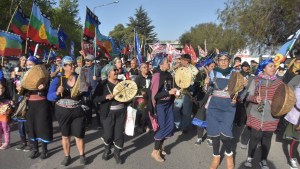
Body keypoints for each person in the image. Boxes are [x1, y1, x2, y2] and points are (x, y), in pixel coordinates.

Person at [206, 52, 246, 169]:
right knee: (215, 135)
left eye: (226, 59)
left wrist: (243, 87)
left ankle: (229, 155)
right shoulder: (212, 72)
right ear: (217, 61)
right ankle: (216, 157)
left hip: (229, 108)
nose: (223, 62)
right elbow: (207, 90)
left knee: (225, 136)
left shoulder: (236, 73)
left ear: (229, 61)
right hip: (214, 107)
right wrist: (206, 84)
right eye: (221, 59)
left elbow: (240, 93)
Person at [243, 58, 283, 169]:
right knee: (255, 137)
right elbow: (247, 96)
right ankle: (250, 157)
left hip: (272, 116)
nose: (274, 68)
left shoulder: (279, 83)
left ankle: (263, 160)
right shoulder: (256, 80)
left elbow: (283, 99)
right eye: (271, 66)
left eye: (274, 66)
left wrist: (275, 102)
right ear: (264, 68)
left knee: (267, 138)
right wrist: (254, 98)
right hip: (256, 114)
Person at [47, 56, 86, 166]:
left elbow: (87, 94)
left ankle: (82, 155)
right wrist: (57, 93)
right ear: (64, 67)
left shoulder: (80, 77)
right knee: (65, 135)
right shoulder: (58, 80)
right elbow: (49, 96)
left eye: (73, 64)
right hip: (62, 111)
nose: (73, 66)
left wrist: (86, 88)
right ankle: (67, 156)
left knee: (79, 135)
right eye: (70, 64)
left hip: (77, 111)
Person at [93, 64, 128, 164]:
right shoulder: (103, 84)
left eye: (117, 70)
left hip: (121, 112)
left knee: (119, 134)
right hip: (108, 113)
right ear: (108, 73)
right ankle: (107, 149)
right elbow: (95, 98)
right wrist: (105, 97)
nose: (117, 72)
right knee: (108, 134)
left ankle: (117, 154)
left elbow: (128, 96)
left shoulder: (122, 83)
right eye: (114, 70)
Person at [148, 56, 177, 162]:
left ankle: (160, 147)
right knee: (162, 127)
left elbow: (171, 88)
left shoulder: (169, 74)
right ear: (160, 64)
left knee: (169, 127)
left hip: (169, 104)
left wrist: (176, 93)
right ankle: (155, 151)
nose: (169, 63)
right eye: (166, 62)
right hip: (160, 105)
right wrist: (168, 93)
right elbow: (154, 95)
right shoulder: (157, 75)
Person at [25, 56, 53, 159]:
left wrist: (43, 88)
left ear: (36, 65)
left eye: (30, 64)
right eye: (27, 65)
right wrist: (20, 88)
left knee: (42, 127)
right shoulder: (25, 76)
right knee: (32, 127)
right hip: (30, 104)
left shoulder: (44, 75)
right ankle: (35, 149)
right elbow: (23, 92)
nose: (28, 66)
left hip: (42, 104)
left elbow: (50, 91)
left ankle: (44, 150)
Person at [193, 59, 215, 146]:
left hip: (212, 101)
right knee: (200, 119)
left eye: (214, 66)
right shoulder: (201, 75)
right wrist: (205, 85)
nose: (213, 68)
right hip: (202, 101)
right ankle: (199, 137)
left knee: (211, 120)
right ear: (206, 67)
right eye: (211, 66)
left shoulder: (216, 75)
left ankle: (210, 138)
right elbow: (196, 88)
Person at [173, 54, 198, 133]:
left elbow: (195, 82)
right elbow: (173, 77)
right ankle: (177, 125)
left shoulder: (194, 70)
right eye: (181, 60)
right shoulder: (179, 68)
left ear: (188, 61)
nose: (181, 61)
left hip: (188, 92)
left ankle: (185, 127)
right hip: (179, 91)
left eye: (183, 60)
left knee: (186, 111)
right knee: (176, 109)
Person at [283, 84, 300, 169]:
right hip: (296, 118)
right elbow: (298, 104)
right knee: (296, 140)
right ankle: (292, 159)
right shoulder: (298, 89)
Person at [134, 63, 152, 133]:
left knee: (148, 112)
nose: (146, 69)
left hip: (149, 97)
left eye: (147, 67)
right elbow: (135, 88)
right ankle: (140, 126)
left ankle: (147, 125)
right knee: (141, 113)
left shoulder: (150, 77)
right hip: (141, 99)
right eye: (144, 67)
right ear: (141, 69)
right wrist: (141, 91)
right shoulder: (138, 78)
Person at [0, 81, 13, 149]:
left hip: (5, 117)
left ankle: (7, 142)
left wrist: (8, 108)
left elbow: (10, 109)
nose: (0, 90)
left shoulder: (7, 99)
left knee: (6, 129)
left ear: (4, 89)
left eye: (2, 88)